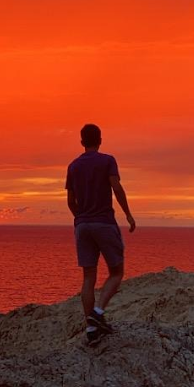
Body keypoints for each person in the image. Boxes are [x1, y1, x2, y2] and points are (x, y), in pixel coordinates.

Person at [65, 123, 136, 346]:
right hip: (104, 222)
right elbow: (117, 188)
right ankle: (97, 311)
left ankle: (92, 328)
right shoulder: (107, 161)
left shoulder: (73, 166)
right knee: (116, 272)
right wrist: (128, 215)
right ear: (100, 140)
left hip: (82, 225)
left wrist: (81, 218)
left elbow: (70, 201)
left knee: (88, 277)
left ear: (81, 141)